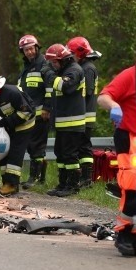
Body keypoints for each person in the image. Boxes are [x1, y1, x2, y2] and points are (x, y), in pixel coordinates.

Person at [97, 64, 136, 256]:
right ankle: (124, 234)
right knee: (132, 185)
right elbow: (103, 97)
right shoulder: (130, 75)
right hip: (130, 137)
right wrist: (114, 105)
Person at [43, 44, 86, 197]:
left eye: (54, 62)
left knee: (69, 155)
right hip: (63, 122)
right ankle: (63, 184)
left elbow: (65, 86)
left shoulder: (74, 70)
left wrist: (49, 74)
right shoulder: (63, 70)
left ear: (63, 59)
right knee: (60, 154)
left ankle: (73, 186)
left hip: (72, 123)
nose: (53, 65)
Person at [16, 34, 52, 188]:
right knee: (32, 146)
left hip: (40, 114)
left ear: (37, 48)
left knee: (36, 146)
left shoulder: (44, 65)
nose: (29, 52)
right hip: (29, 114)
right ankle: (40, 178)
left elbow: (50, 89)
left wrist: (47, 108)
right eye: (26, 50)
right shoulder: (27, 67)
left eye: (31, 49)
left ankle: (35, 178)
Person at [66, 36, 99, 188]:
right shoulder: (85, 66)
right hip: (83, 114)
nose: (70, 57)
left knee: (84, 146)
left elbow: (87, 92)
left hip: (86, 115)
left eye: (72, 53)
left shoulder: (88, 68)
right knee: (81, 146)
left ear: (80, 53)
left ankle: (87, 178)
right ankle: (83, 178)